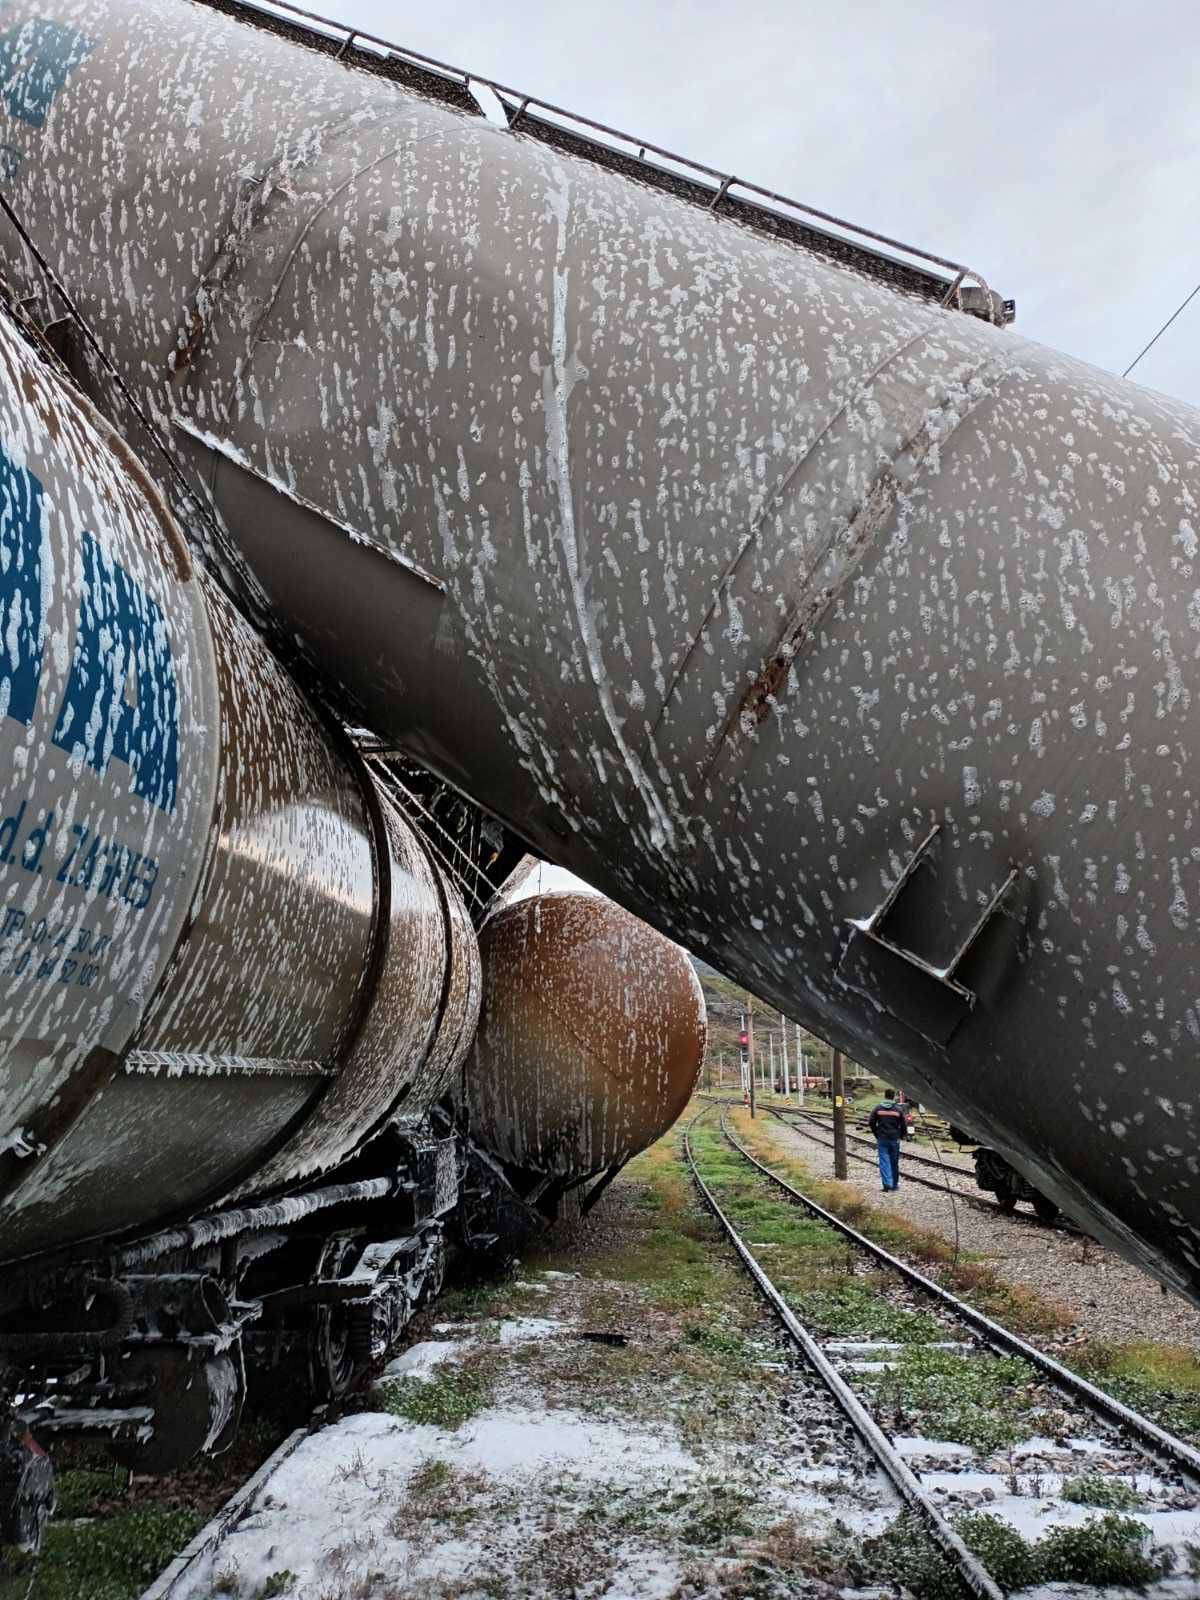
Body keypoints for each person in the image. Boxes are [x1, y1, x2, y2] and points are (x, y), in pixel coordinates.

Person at [868, 1089, 908, 1192]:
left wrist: (876, 1133)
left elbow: (871, 1121)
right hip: (895, 1139)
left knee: (884, 1161)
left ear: (885, 1096)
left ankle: (887, 1184)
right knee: (894, 1162)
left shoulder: (878, 1108)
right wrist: (902, 1136)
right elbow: (904, 1124)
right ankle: (894, 1185)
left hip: (882, 1138)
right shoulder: (898, 1109)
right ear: (894, 1096)